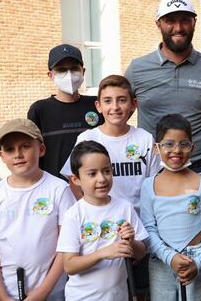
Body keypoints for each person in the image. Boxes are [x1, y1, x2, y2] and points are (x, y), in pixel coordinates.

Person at [125, 0, 201, 192]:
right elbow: (120, 115)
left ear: (194, 23)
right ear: (158, 24)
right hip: (153, 170)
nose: (178, 28)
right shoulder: (137, 69)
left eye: (185, 20)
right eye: (170, 20)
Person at [60, 75, 159, 298]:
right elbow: (73, 178)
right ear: (98, 106)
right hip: (96, 231)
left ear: (134, 104)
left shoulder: (144, 138)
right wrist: (91, 210)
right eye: (108, 101)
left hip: (133, 229)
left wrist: (136, 235)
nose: (115, 107)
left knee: (135, 290)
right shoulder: (88, 137)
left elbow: (153, 184)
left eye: (122, 100)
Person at [0, 118, 75, 300]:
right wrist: (2, 295)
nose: (18, 154)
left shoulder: (59, 190)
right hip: (9, 292)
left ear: (41, 149)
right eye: (9, 149)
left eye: (25, 146)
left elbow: (66, 246)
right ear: (1, 156)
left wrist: (42, 292)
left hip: (53, 293)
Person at [57, 140, 148, 301]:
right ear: (76, 179)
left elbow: (141, 253)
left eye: (106, 171)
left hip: (117, 296)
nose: (102, 179)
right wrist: (104, 253)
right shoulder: (74, 214)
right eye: (92, 174)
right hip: (81, 298)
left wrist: (132, 241)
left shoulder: (124, 207)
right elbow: (69, 266)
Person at [140, 114, 201, 300]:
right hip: (161, 263)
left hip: (196, 260)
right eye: (168, 144)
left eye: (184, 144)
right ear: (157, 148)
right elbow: (148, 229)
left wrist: (198, 263)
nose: (176, 150)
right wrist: (169, 257)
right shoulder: (149, 186)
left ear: (192, 147)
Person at [28, 44, 104, 180]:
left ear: (83, 72)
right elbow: (32, 152)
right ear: (50, 75)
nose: (69, 75)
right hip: (54, 188)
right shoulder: (40, 110)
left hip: (93, 186)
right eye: (61, 70)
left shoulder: (97, 105)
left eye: (74, 68)